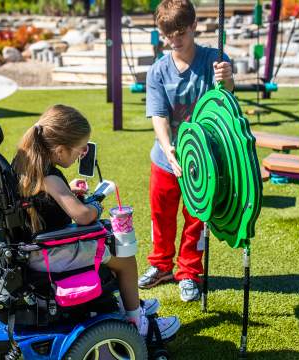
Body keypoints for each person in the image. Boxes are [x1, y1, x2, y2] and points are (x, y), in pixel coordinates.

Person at [12, 104, 181, 340]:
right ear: (60, 151)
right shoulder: (50, 176)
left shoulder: (26, 163)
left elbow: (41, 198)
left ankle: (128, 302)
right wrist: (95, 205)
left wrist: (67, 190)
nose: (82, 154)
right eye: (79, 150)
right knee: (124, 259)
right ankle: (136, 322)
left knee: (109, 248)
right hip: (50, 254)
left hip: (32, 250)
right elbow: (82, 216)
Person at [138, 0, 235, 302]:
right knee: (160, 215)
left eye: (180, 33)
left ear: (194, 26)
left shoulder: (215, 60)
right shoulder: (158, 71)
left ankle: (189, 271)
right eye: (167, 36)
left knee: (196, 218)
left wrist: (228, 80)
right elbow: (159, 116)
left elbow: (225, 102)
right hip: (166, 158)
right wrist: (168, 150)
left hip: (204, 161)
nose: (173, 41)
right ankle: (161, 265)